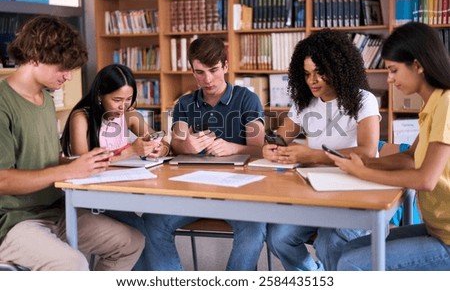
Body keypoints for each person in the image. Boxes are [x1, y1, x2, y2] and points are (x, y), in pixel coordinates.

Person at [0, 15, 144, 270]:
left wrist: (85, 162)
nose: (68, 76)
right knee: (73, 265)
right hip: (12, 221)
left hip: (56, 211)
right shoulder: (3, 102)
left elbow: (46, 159)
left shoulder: (45, 101)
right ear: (35, 57)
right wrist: (68, 169)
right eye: (62, 68)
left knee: (131, 242)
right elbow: (3, 179)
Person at [327, 22, 450, 271]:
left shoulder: (447, 104)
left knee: (352, 264)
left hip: (446, 238)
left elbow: (425, 179)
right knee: (348, 250)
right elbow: (411, 157)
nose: (390, 79)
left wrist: (363, 173)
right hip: (436, 228)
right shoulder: (433, 104)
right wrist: (367, 162)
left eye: (393, 70)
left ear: (417, 65)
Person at [143, 35, 267, 270]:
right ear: (192, 71)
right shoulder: (184, 104)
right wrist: (186, 145)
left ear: (226, 66)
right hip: (194, 192)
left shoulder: (247, 99)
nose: (207, 79)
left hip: (239, 194)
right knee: (152, 222)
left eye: (214, 70)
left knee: (254, 228)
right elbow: (177, 142)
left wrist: (234, 148)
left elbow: (260, 149)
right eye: (200, 72)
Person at [262, 28, 381, 270]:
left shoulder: (363, 100)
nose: (312, 81)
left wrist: (313, 155)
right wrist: (271, 147)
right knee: (278, 237)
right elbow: (281, 137)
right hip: (316, 190)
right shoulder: (304, 102)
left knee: (328, 244)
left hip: (357, 190)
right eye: (306, 74)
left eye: (319, 73)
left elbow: (368, 152)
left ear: (337, 69)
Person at [60, 63, 170, 270]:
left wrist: (158, 149)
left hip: (119, 191)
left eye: (128, 99)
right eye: (117, 100)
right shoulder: (81, 117)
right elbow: (82, 163)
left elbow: (161, 140)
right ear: (100, 95)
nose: (123, 106)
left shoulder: (129, 115)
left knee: (151, 225)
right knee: (141, 229)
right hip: (90, 197)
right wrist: (129, 151)